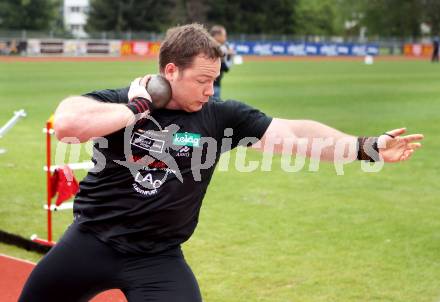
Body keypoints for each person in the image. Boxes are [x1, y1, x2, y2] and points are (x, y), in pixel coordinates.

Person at [19, 23, 423, 302]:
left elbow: (294, 135)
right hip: (90, 241)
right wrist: (139, 106)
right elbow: (68, 125)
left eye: (215, 80)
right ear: (170, 71)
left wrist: (366, 147)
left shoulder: (221, 116)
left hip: (156, 256)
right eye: (202, 80)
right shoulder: (119, 101)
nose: (211, 90)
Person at [210, 25, 234, 99]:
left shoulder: (208, 44)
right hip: (213, 85)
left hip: (212, 84)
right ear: (217, 36)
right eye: (224, 35)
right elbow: (225, 68)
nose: (225, 38)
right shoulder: (216, 48)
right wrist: (229, 55)